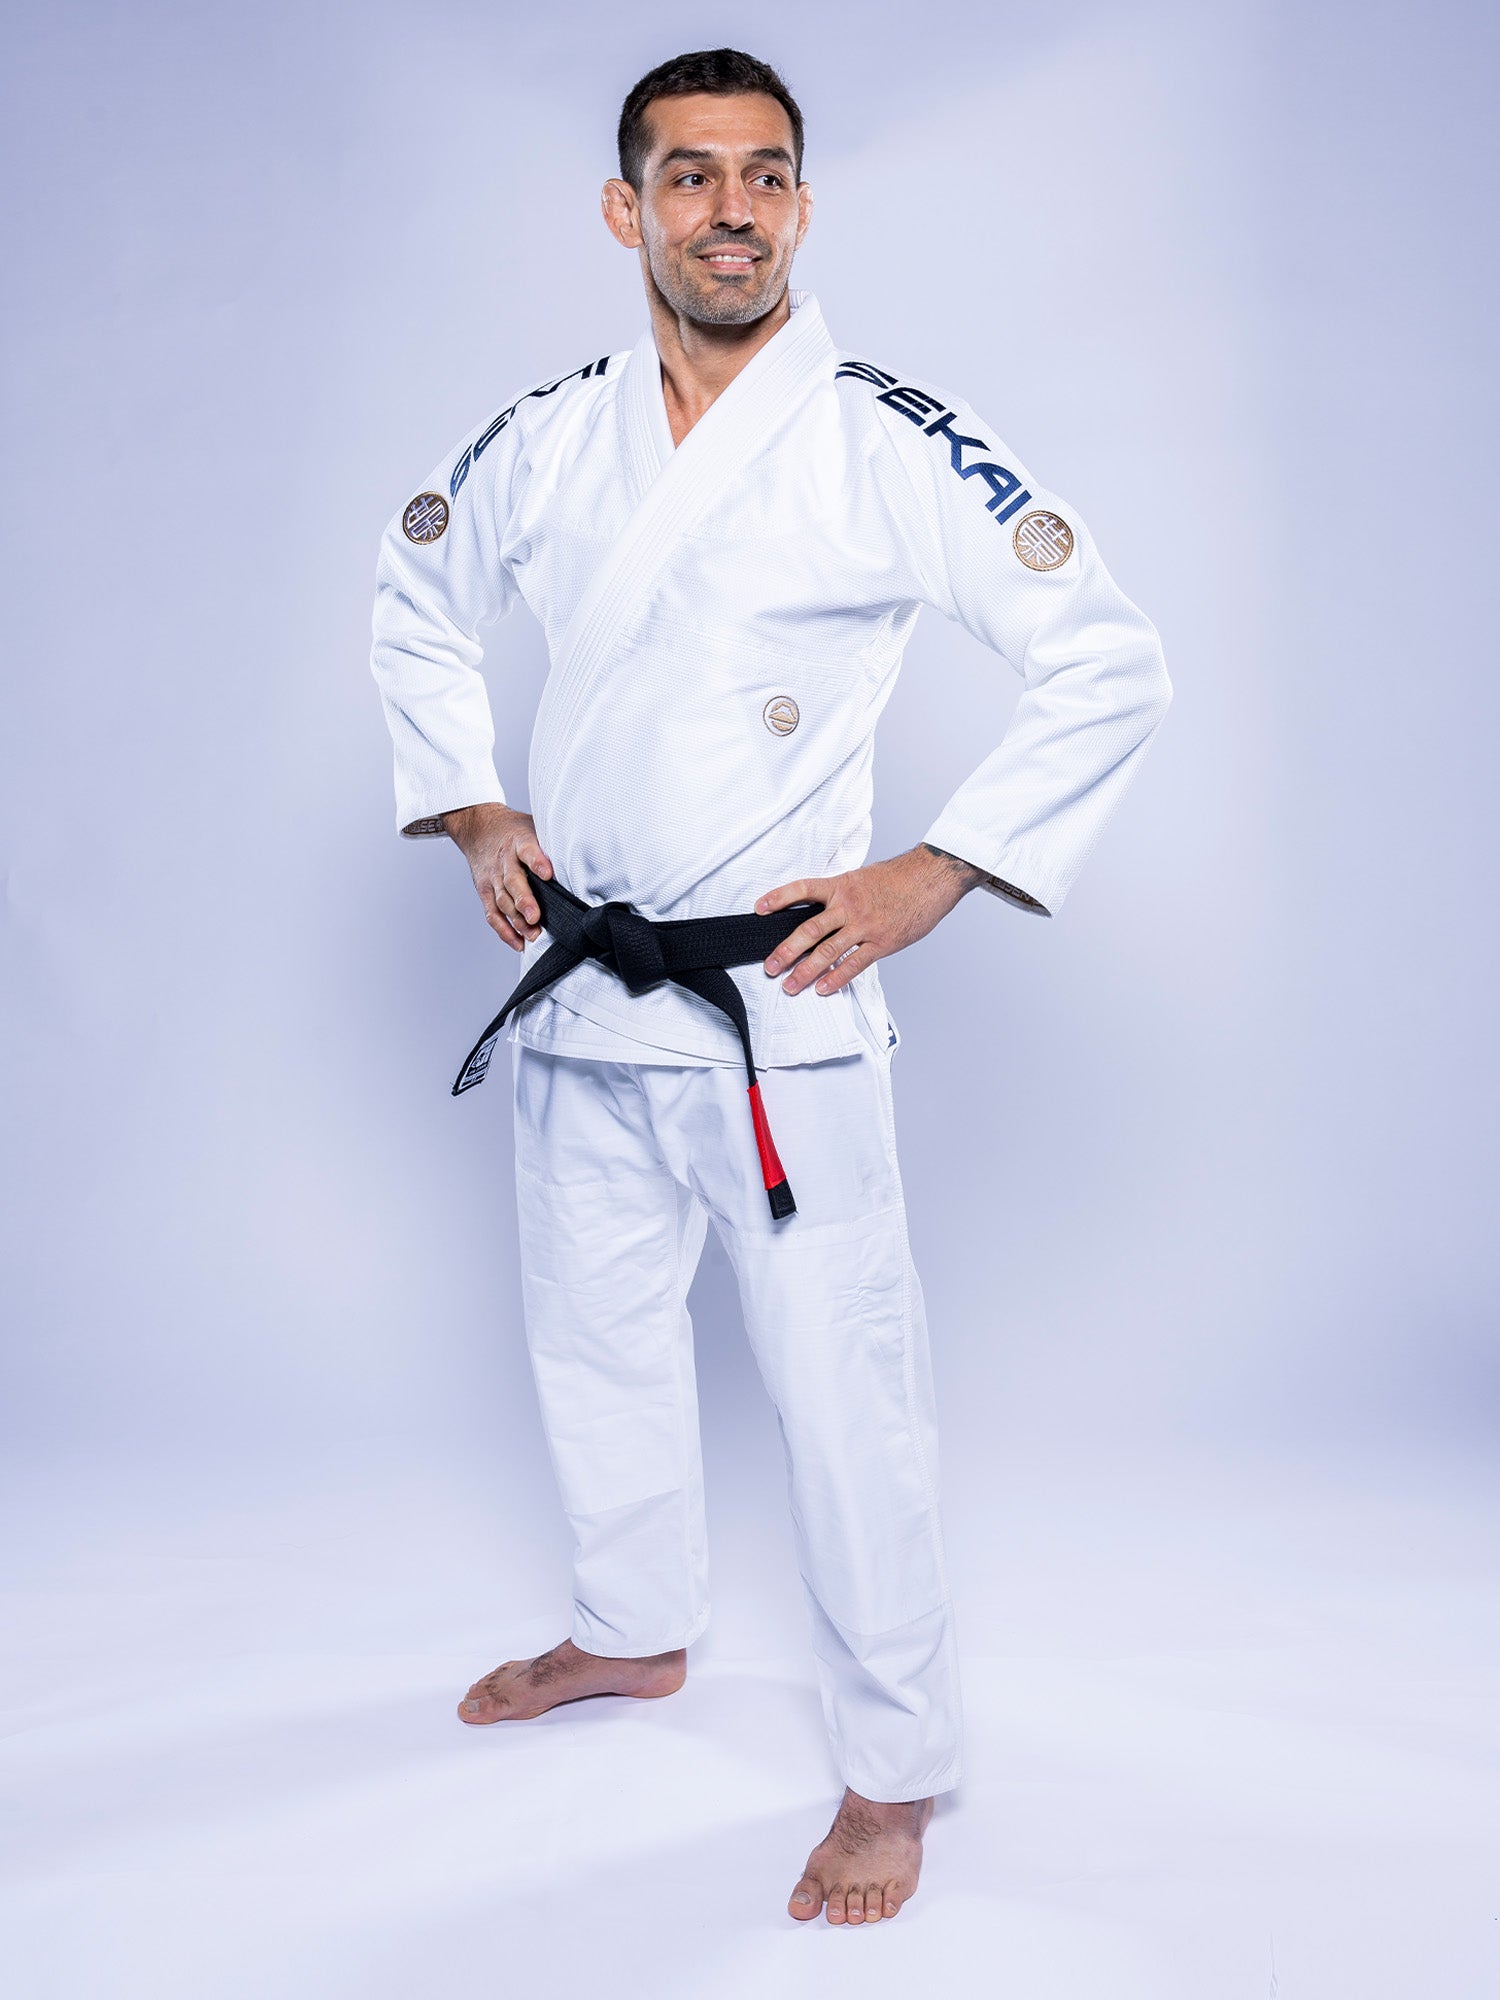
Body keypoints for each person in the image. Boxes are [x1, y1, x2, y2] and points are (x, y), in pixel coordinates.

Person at [370, 46, 1171, 1926]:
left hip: (779, 1007)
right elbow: (411, 591)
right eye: (690, 175)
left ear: (802, 208)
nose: (730, 208)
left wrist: (936, 869)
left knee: (843, 1392)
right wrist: (476, 808)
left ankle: (892, 1769)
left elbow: (1111, 659)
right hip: (579, 981)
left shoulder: (890, 437)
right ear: (623, 206)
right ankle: (634, 1631)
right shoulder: (550, 433)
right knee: (595, 1338)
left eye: (766, 176)